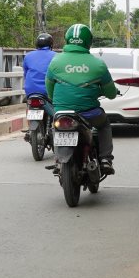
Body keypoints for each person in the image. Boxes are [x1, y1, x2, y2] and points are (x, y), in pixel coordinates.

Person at [45, 23, 118, 175]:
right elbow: (111, 93)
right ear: (89, 42)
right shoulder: (98, 64)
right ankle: (105, 159)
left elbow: (50, 91)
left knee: (56, 128)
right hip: (89, 113)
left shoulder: (55, 62)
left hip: (62, 112)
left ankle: (58, 160)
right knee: (104, 125)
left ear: (67, 40)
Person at [22, 32, 56, 120]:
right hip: (48, 91)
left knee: (28, 105)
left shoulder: (28, 56)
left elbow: (26, 74)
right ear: (51, 45)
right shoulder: (56, 56)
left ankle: (29, 126)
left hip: (30, 90)